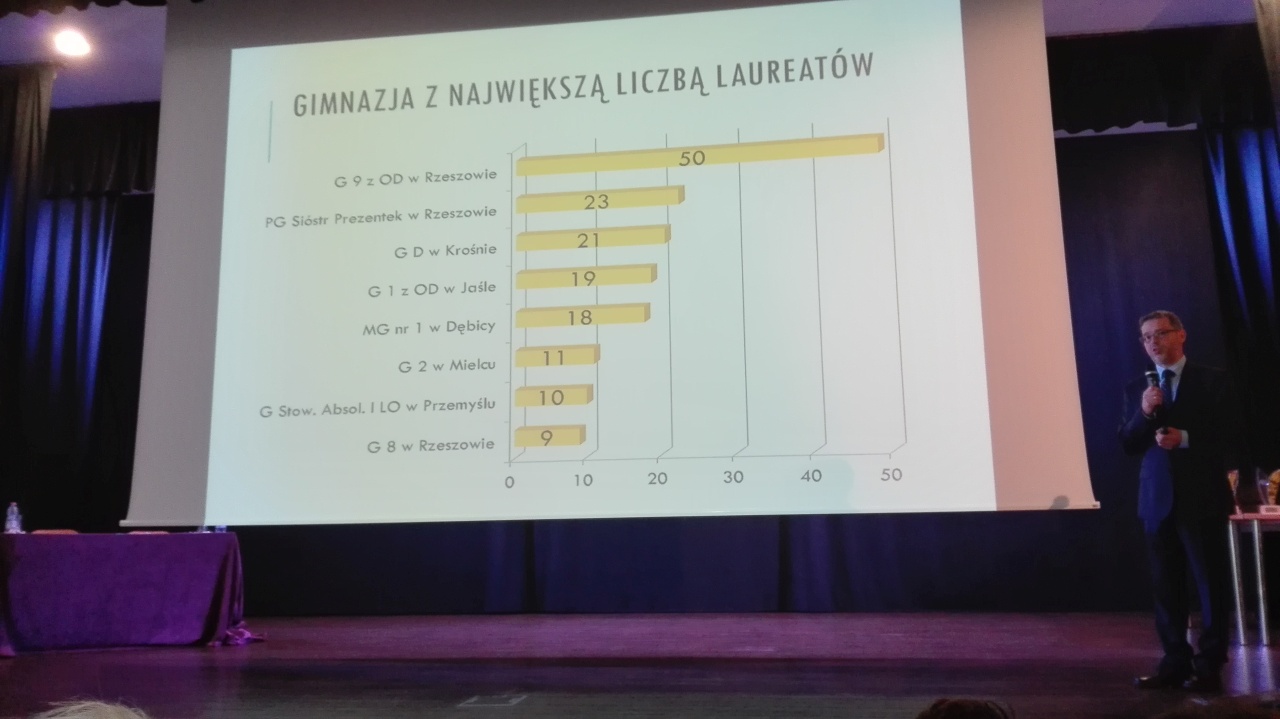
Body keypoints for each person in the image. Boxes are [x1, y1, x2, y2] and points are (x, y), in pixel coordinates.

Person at [1119, 310, 1239, 693]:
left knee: (1210, 585)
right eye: (1146, 337)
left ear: (1181, 335)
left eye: (1160, 333)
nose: (1153, 342)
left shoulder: (1213, 380)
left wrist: (1185, 439)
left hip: (1202, 497)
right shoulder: (1137, 388)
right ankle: (1173, 663)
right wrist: (1144, 412)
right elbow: (1128, 443)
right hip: (1156, 500)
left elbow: (1233, 434)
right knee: (1166, 588)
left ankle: (1209, 666)